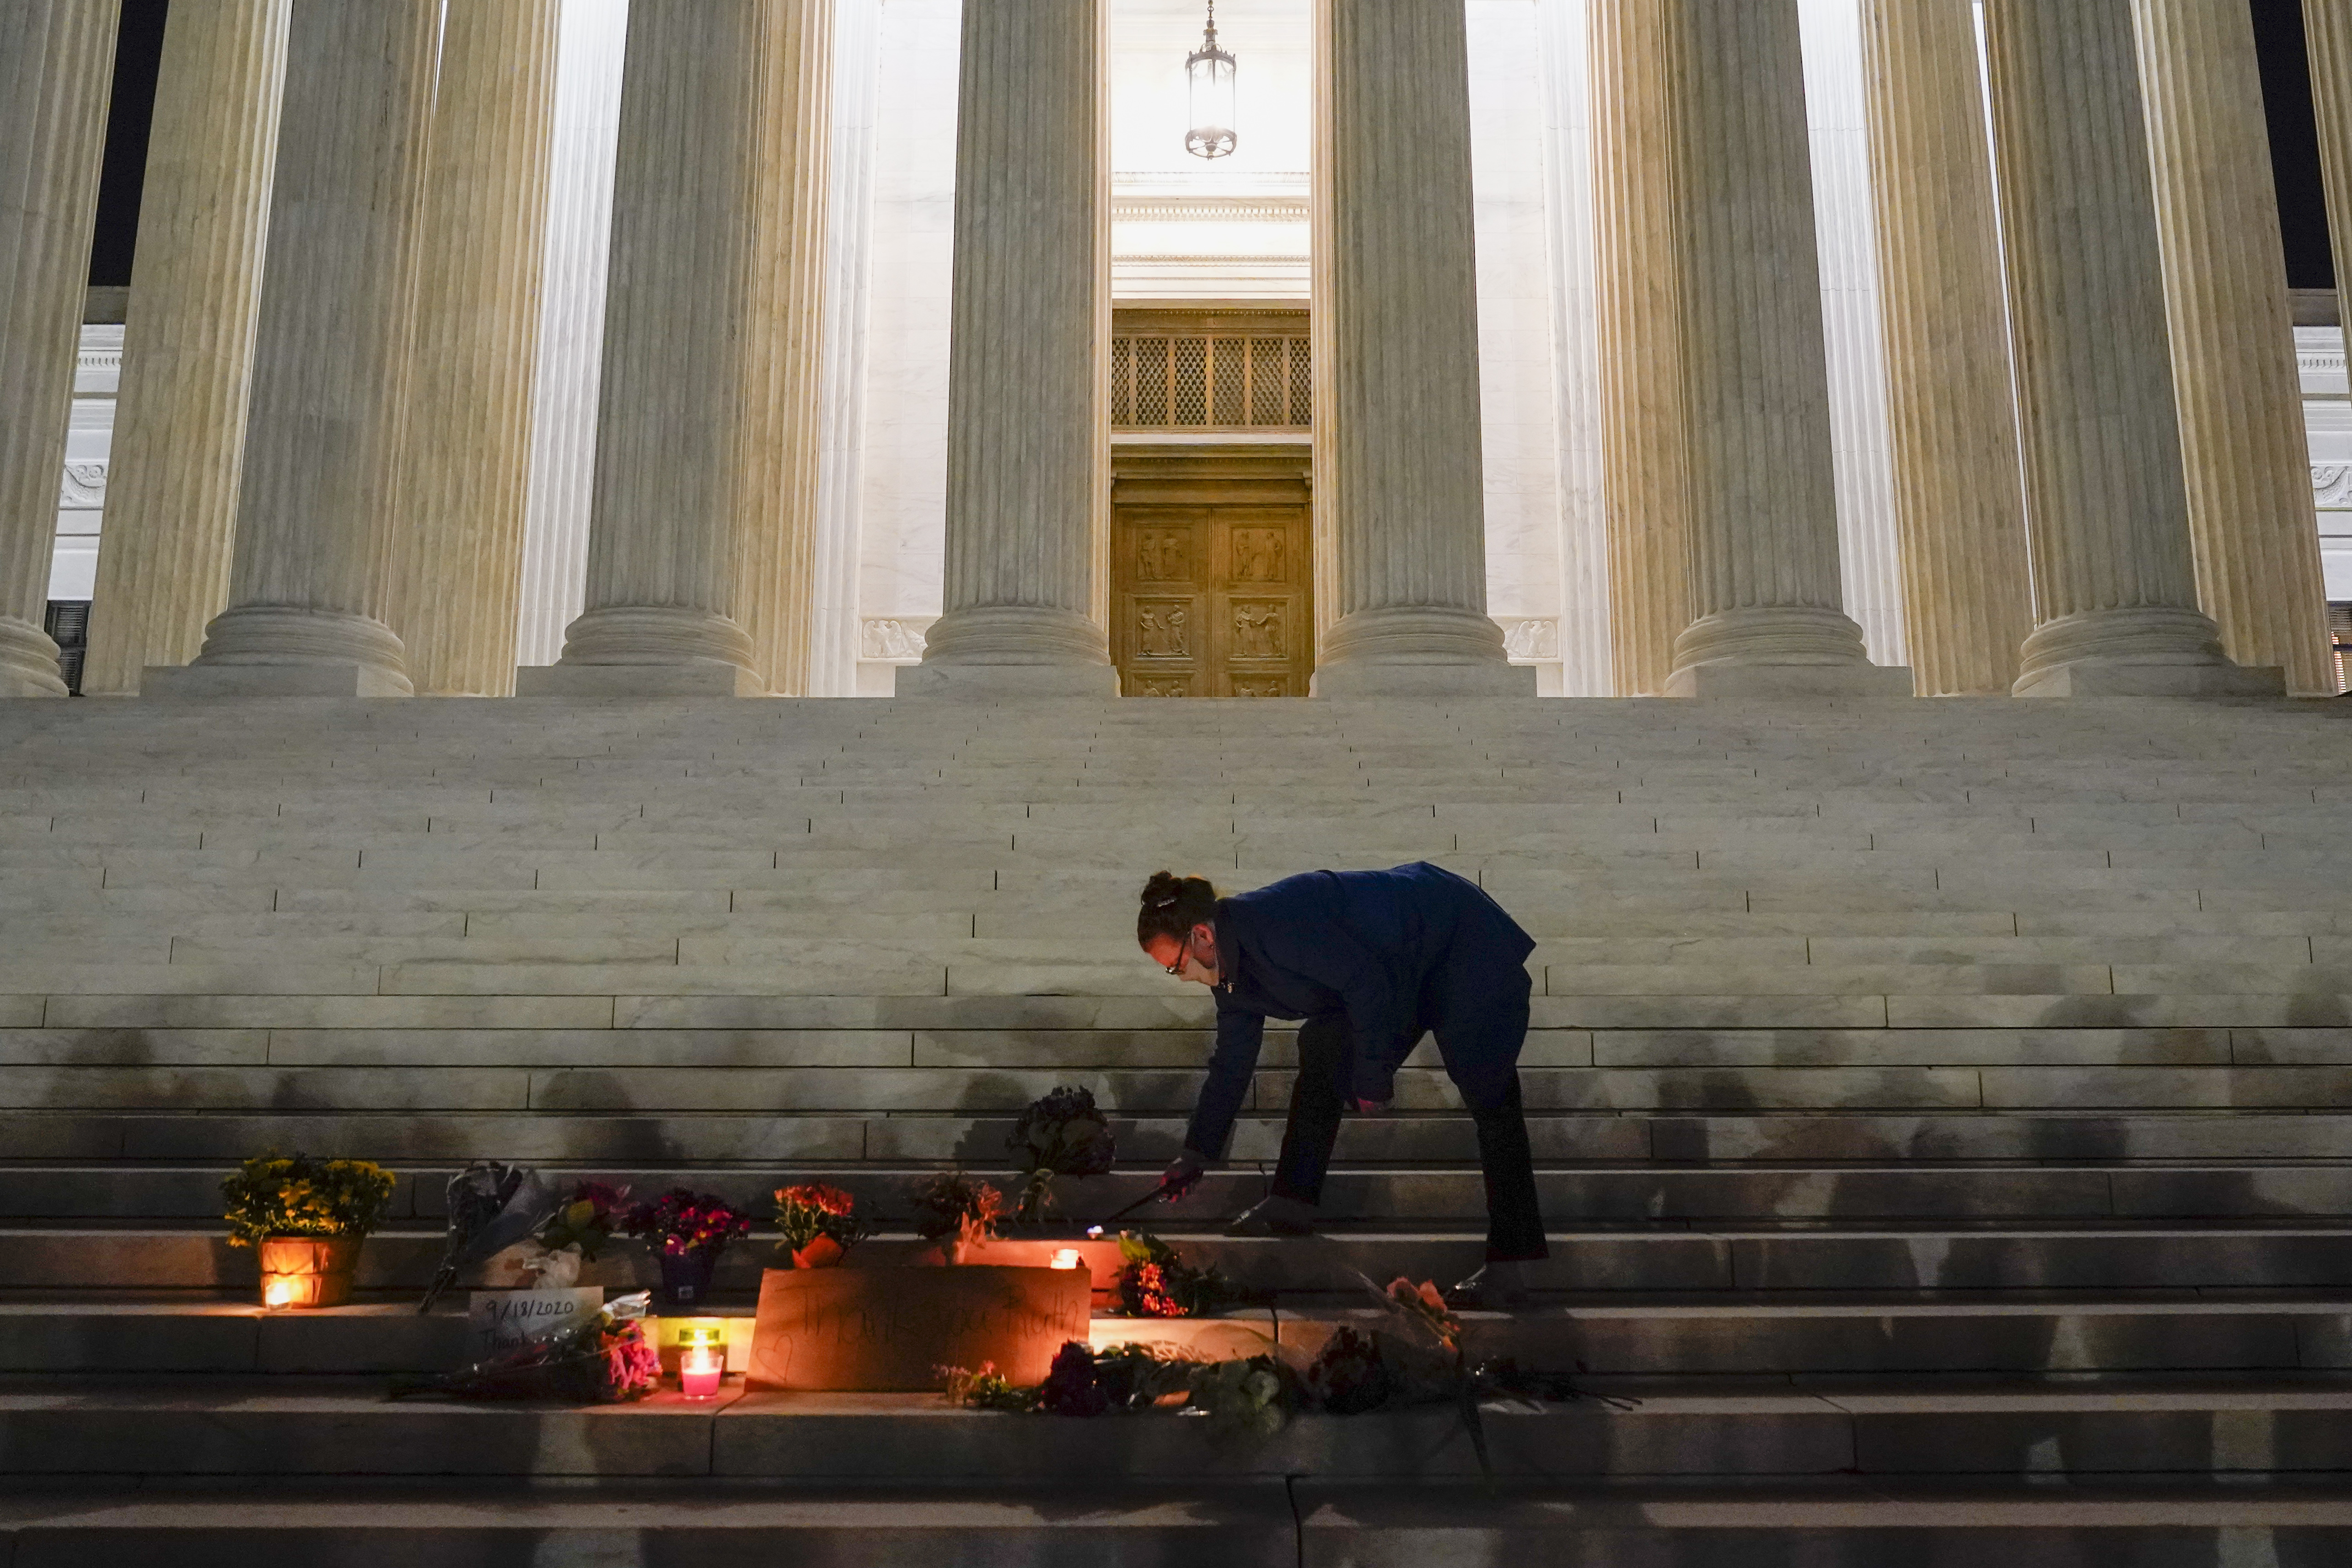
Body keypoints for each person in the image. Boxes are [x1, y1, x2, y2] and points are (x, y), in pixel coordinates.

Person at [1136, 863, 1548, 1308]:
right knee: (1322, 1045)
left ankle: (1512, 1265)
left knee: (1492, 1095)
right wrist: (1196, 1152)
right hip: (1398, 968)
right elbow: (1232, 1063)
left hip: (1460, 941)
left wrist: (1372, 1078)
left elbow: (1365, 982)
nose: (1181, 976)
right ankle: (1291, 1201)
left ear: (1202, 935)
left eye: (1175, 965)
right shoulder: (1231, 976)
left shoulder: (1276, 924)